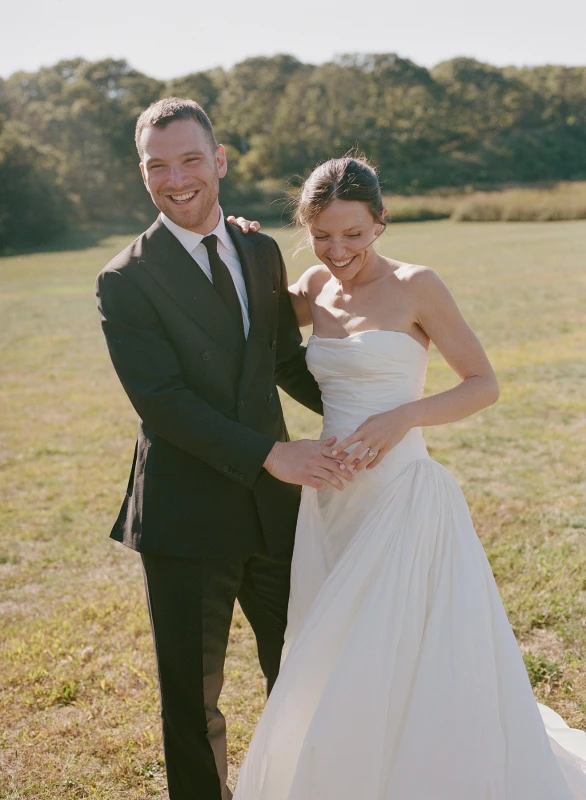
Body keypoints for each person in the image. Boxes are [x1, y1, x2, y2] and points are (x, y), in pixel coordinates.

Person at [233, 157, 586, 799]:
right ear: (307, 230)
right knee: (335, 651)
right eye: (322, 235)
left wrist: (403, 417)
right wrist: (241, 242)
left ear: (381, 223)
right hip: (330, 503)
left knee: (409, 650)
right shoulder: (313, 286)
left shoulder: (418, 285)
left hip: (403, 497)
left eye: (354, 234)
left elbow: (484, 384)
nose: (338, 250)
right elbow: (245, 309)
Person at [95, 98, 353, 800]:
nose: (175, 178)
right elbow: (164, 403)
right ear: (142, 172)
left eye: (189, 160)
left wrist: (366, 414)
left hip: (275, 510)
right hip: (185, 517)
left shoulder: (259, 249)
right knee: (192, 702)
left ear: (220, 161)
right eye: (157, 166)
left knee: (300, 671)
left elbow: (280, 358)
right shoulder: (124, 279)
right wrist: (275, 454)